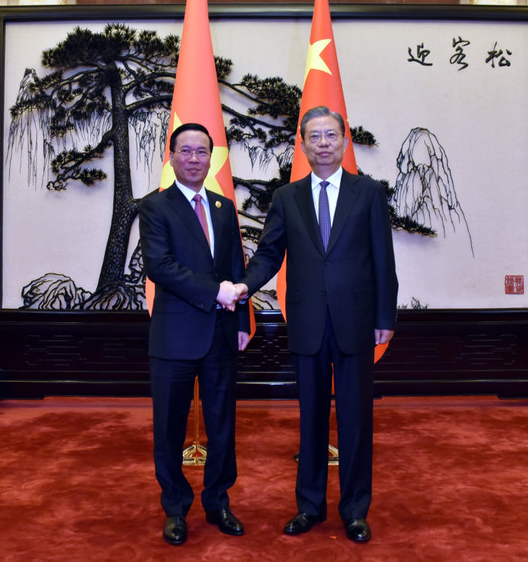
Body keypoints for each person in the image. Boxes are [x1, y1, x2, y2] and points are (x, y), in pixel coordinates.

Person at [233, 106, 398, 543]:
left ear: (345, 141)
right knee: (311, 419)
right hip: (306, 321)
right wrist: (244, 286)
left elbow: (384, 258)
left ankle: (355, 510)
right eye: (314, 137)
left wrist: (385, 315)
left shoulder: (369, 193)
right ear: (302, 145)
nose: (323, 143)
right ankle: (309, 506)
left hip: (357, 320)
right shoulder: (288, 197)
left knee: (356, 418)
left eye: (331, 135)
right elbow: (269, 254)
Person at [139, 122, 251, 546]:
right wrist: (215, 292)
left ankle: (219, 500)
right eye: (185, 151)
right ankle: (175, 507)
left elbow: (235, 269)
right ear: (171, 157)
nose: (193, 159)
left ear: (211, 158)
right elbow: (160, 266)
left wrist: (241, 321)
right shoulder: (156, 207)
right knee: (169, 428)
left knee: (223, 425)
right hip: (174, 338)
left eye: (201, 152)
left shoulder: (223, 207)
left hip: (222, 335)